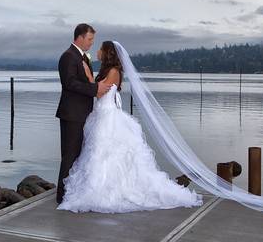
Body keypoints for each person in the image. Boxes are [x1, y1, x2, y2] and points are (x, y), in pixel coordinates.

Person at [57, 41, 203, 213]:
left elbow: (99, 92)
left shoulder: (113, 71)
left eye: (100, 49)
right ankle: (96, 187)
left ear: (107, 53)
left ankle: (106, 191)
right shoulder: (108, 70)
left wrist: (89, 75)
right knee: (96, 153)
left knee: (105, 153)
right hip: (101, 114)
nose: (97, 51)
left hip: (108, 116)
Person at [55, 24, 111, 204]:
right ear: (79, 37)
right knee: (69, 155)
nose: (91, 43)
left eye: (92, 40)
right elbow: (70, 83)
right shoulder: (68, 57)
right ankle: (62, 196)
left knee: (78, 154)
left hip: (82, 113)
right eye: (89, 39)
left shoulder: (81, 57)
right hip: (72, 114)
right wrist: (95, 88)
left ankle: (72, 192)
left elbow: (82, 82)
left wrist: (94, 87)